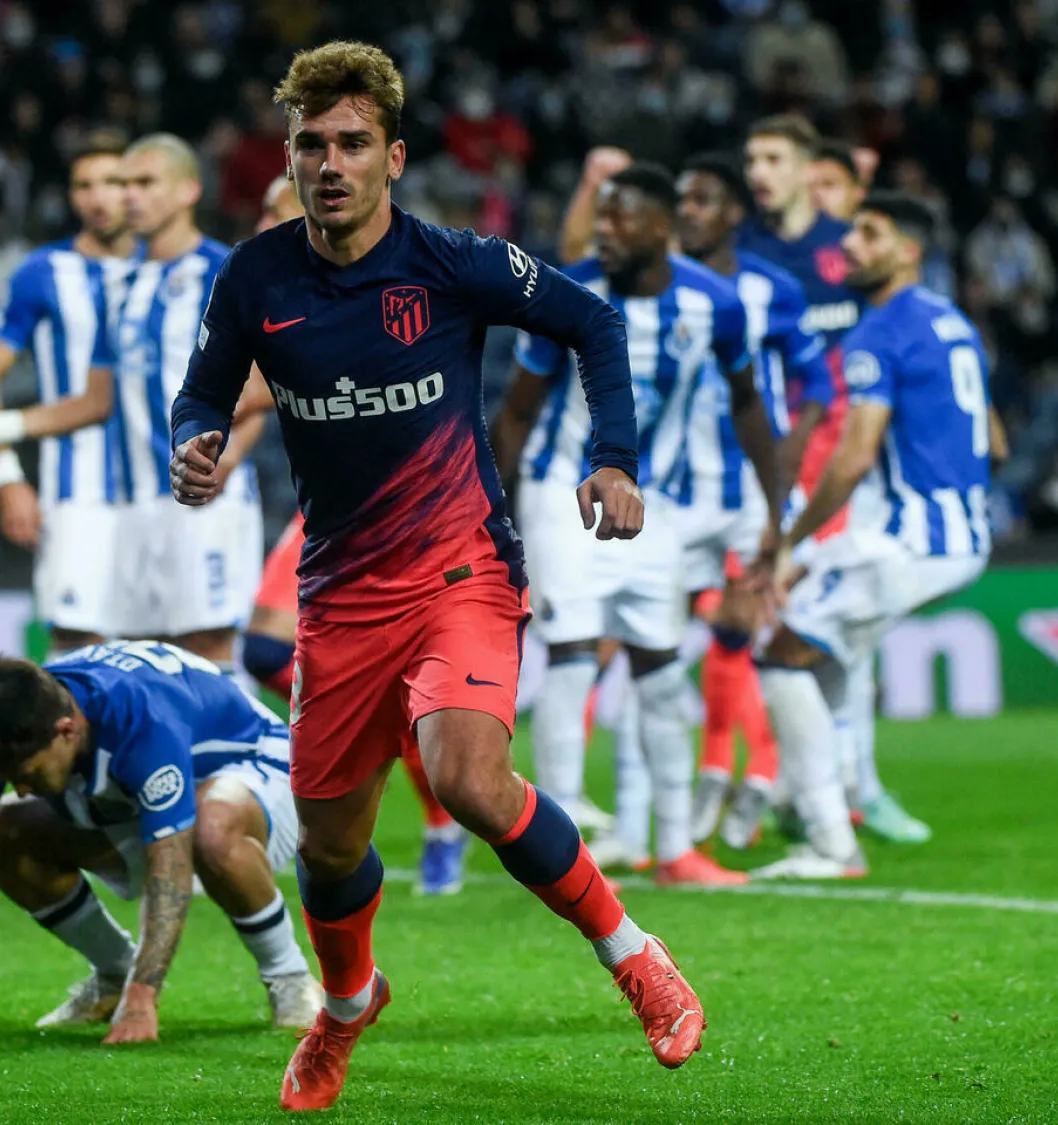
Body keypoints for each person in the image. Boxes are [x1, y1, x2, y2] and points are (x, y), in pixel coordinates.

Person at [170, 42, 703, 1112]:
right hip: (341, 590)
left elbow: (593, 321)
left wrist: (613, 459)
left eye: (352, 144)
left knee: (467, 779)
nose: (330, 163)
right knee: (329, 845)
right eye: (311, 144)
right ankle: (350, 1000)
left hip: (460, 565)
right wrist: (195, 443)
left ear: (394, 157)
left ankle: (634, 953)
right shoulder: (256, 276)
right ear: (289, 154)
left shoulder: (453, 262)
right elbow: (203, 394)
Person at [491, 162, 777, 887]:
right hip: (564, 490)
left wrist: (776, 509)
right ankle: (563, 849)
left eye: (623, 218)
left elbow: (747, 402)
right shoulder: (566, 292)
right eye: (604, 217)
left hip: (660, 507)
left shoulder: (716, 304)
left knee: (658, 668)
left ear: (662, 228)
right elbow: (519, 409)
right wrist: (492, 509)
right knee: (572, 646)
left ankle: (677, 847)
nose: (606, 230)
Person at [0, 641, 322, 1044]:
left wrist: (144, 998)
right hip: (136, 793)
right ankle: (113, 973)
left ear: (67, 730)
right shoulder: (11, 726)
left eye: (27, 775)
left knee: (209, 829)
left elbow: (170, 867)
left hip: (257, 769)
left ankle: (290, 977)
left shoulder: (138, 719)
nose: (24, 789)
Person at [754, 193, 992, 879]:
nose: (848, 247)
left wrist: (790, 539)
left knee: (780, 653)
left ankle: (831, 838)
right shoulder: (952, 321)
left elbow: (854, 458)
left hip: (912, 537)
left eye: (869, 233)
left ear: (907, 250)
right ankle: (824, 805)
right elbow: (994, 435)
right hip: (960, 529)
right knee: (822, 654)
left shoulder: (878, 333)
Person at [237, 180, 465, 896]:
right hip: (325, 497)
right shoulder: (274, 286)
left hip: (390, 503)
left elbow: (254, 387)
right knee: (266, 649)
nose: (267, 223)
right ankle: (426, 792)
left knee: (270, 650)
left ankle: (441, 817)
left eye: (278, 211)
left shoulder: (366, 289)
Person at [739, 116, 933, 844]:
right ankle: (783, 784)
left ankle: (853, 786)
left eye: (774, 158)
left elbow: (896, 334)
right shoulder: (746, 252)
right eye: (753, 158)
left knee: (843, 633)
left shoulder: (845, 250)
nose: (761, 172)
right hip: (771, 464)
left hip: (850, 468)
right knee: (773, 627)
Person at [673, 152, 835, 849]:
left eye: (703, 199)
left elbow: (814, 387)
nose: (686, 210)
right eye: (681, 198)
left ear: (735, 214)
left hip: (753, 489)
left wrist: (787, 462)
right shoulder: (659, 285)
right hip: (681, 490)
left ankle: (757, 774)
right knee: (705, 632)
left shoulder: (774, 288)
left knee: (755, 629)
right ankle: (716, 767)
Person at [0, 133, 134, 654]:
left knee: (177, 651)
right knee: (78, 651)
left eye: (112, 181)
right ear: (70, 196)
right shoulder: (42, 273)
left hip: (168, 491)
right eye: (84, 185)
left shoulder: (177, 267)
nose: (97, 197)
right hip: (75, 492)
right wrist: (7, 478)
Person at [109, 133, 265, 665]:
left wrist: (230, 455)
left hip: (203, 496)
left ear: (187, 191)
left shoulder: (224, 270)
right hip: (133, 499)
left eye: (145, 183)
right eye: (123, 184)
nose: (129, 196)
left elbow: (265, 382)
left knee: (207, 649)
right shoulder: (121, 280)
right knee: (138, 658)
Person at [807, 140, 868, 224]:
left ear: (858, 192)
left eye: (828, 184)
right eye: (808, 187)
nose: (816, 193)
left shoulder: (876, 234)